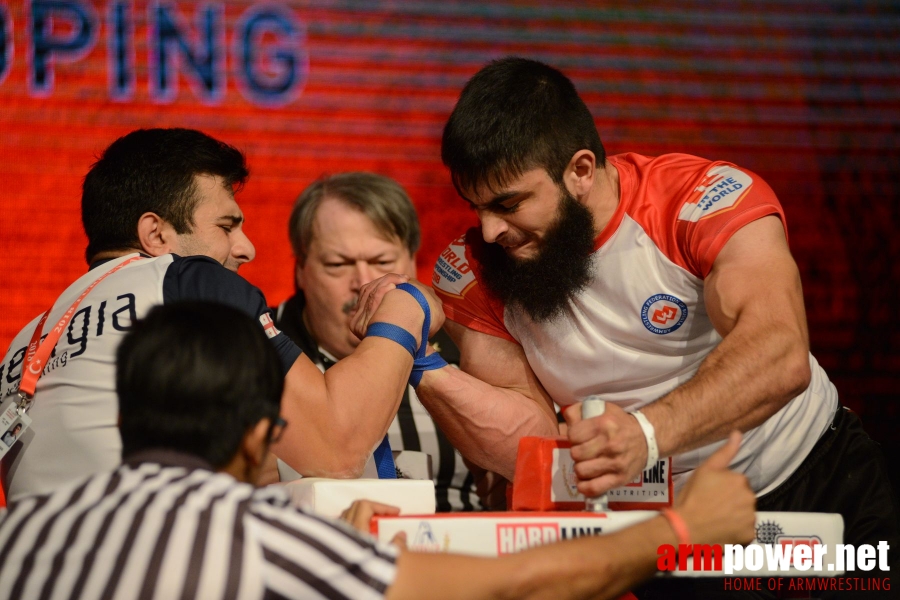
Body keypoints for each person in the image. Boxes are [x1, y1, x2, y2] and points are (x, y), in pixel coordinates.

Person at [369, 57, 898, 564]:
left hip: (819, 480)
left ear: (579, 170)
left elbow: (781, 355)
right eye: (476, 207)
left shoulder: (701, 201)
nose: (489, 231)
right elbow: (533, 445)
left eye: (508, 204)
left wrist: (646, 435)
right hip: (662, 529)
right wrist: (424, 366)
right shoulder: (473, 270)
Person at [0, 301, 757, 600]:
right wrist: (681, 531)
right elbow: (511, 586)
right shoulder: (264, 540)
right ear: (262, 436)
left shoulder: (21, 532)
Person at [0, 127, 441, 501]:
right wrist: (407, 305)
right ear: (156, 233)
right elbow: (339, 449)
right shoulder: (187, 280)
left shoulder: (23, 343)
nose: (246, 248)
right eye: (227, 227)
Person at [274, 172, 480, 511]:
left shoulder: (469, 345)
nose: (365, 282)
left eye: (382, 262)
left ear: (413, 262)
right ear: (300, 270)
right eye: (338, 264)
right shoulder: (257, 349)